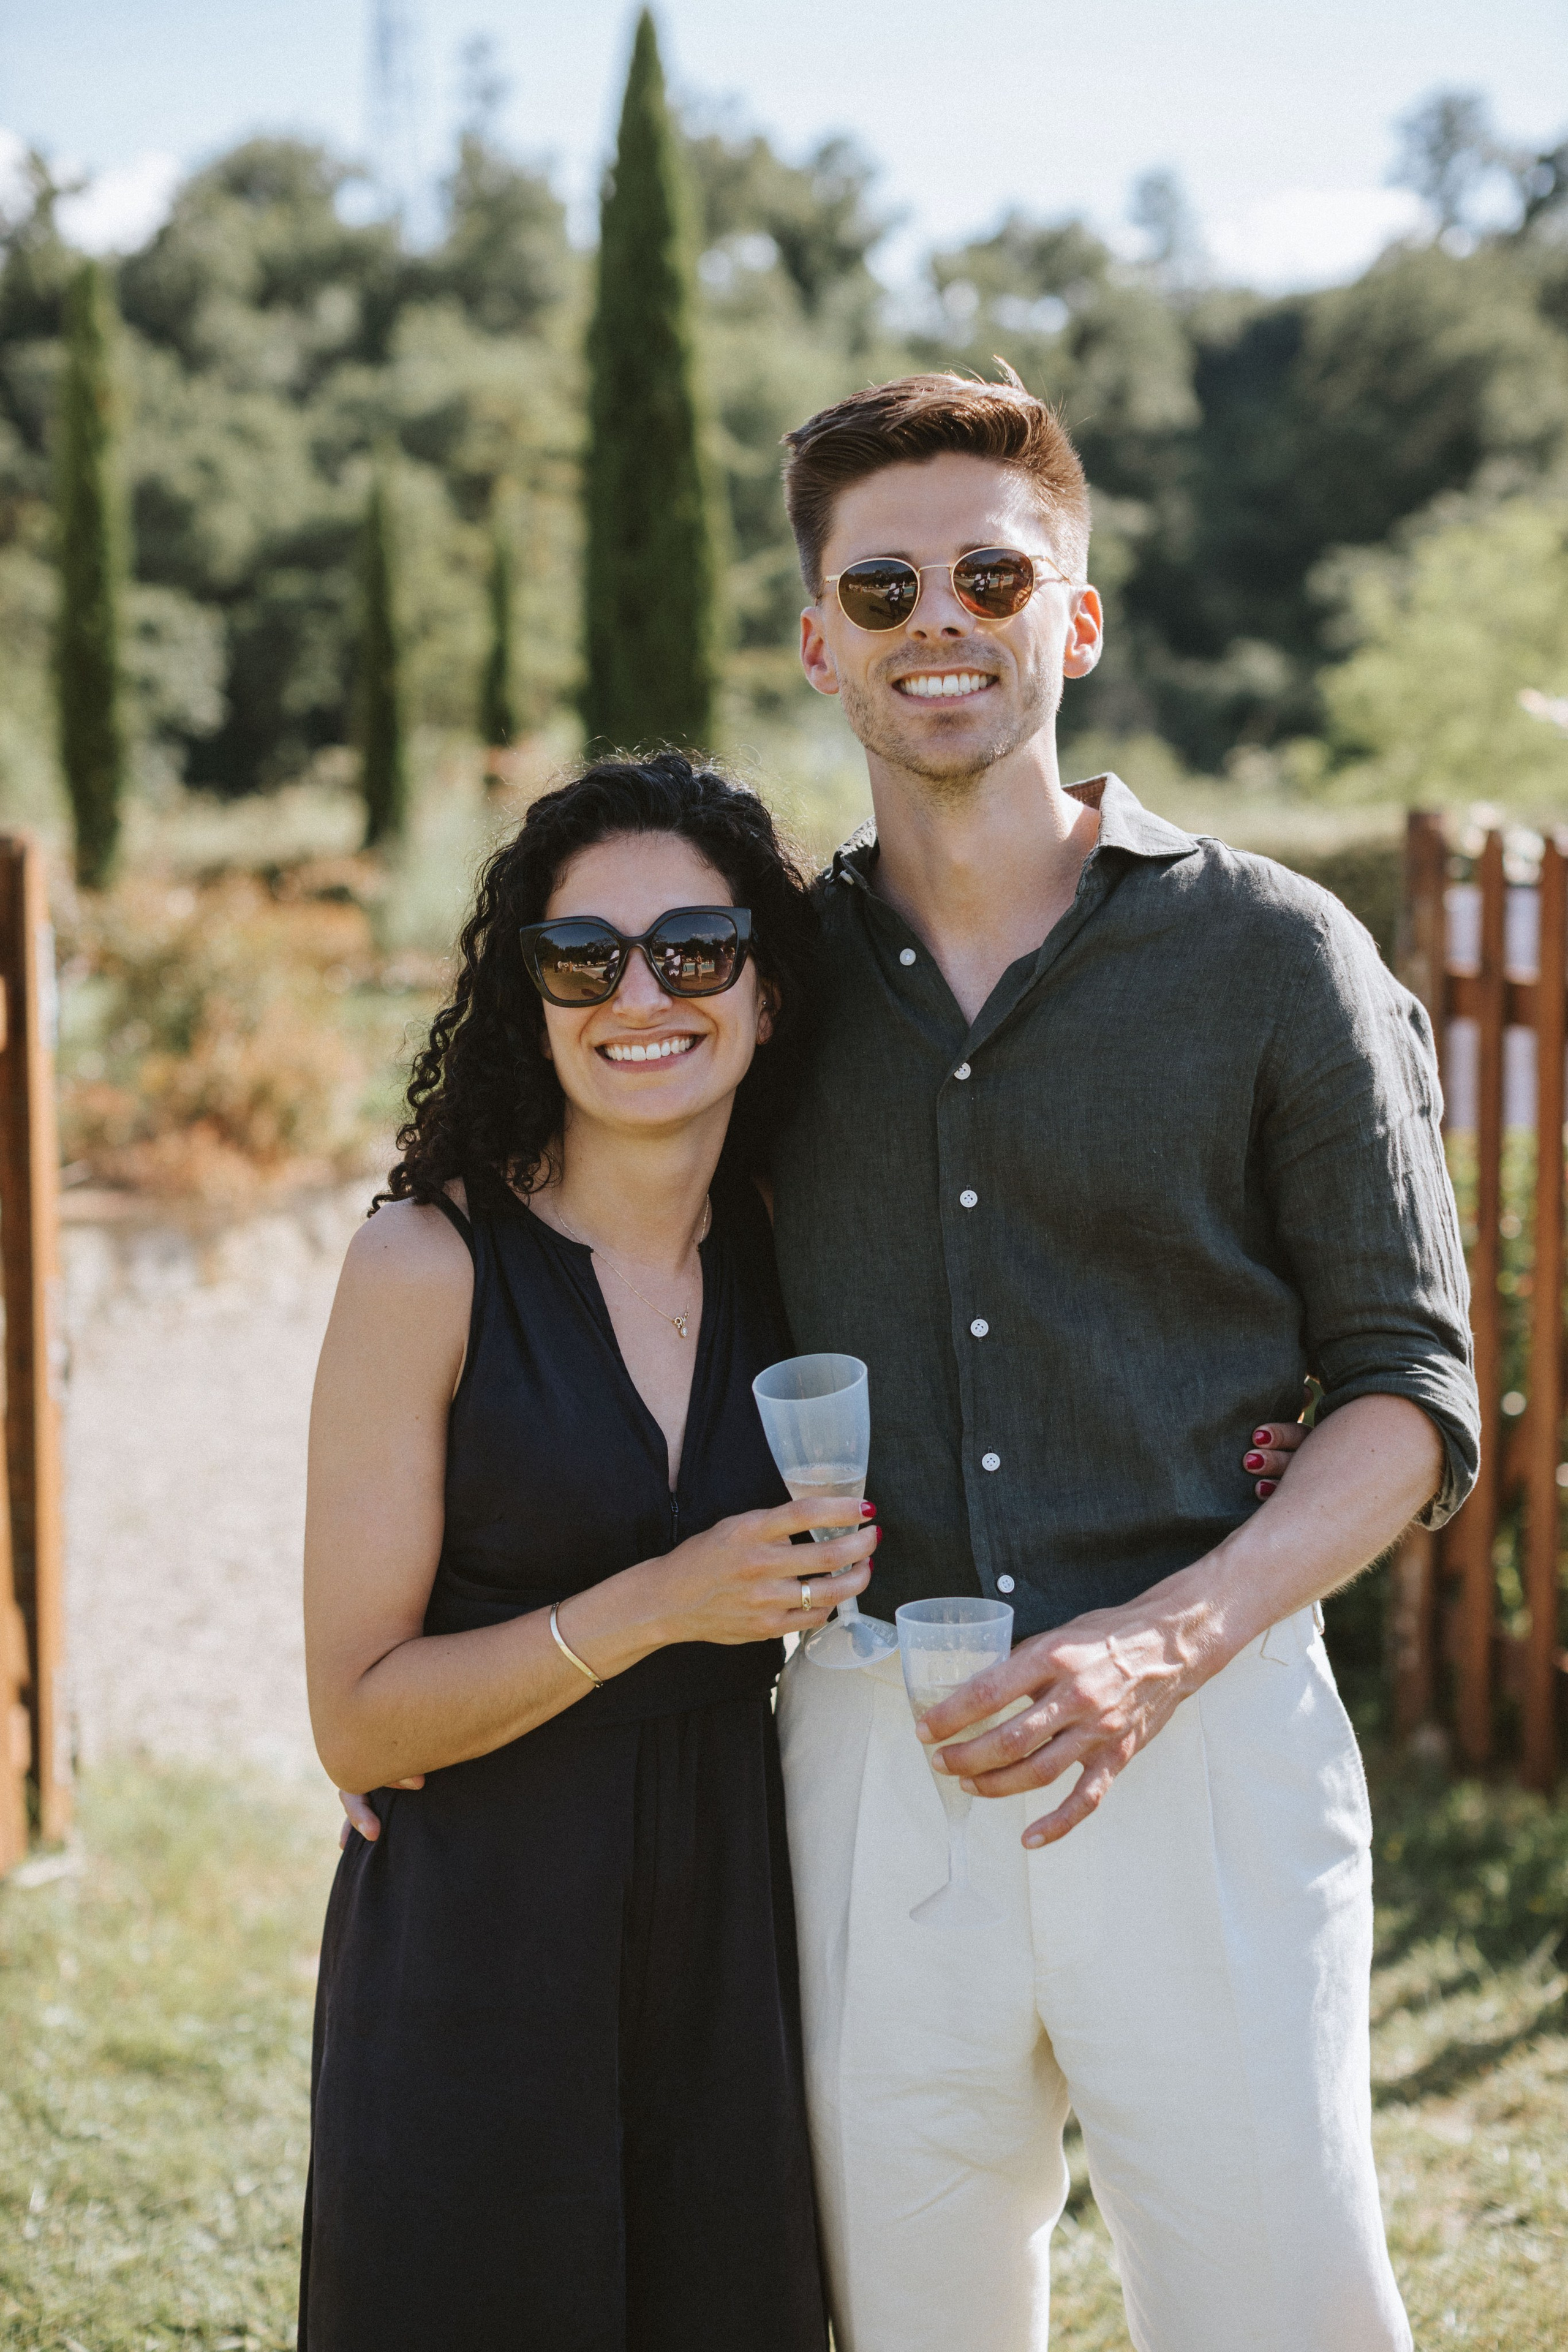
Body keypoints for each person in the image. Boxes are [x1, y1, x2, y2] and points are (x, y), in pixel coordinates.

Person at [764, 367, 1479, 2352]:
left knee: (1278, 2313)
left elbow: (1411, 1394)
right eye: (885, 586)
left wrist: (1170, 1639)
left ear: (1074, 622)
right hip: (863, 1753)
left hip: (1211, 1745)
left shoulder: (1279, 958)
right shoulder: (756, 987)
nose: (940, 624)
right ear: (820, 641)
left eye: (993, 575)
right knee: (902, 2324)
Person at [298, 758, 872, 2351]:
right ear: (527, 995)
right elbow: (356, 1717)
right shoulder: (426, 1264)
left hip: (737, 1955)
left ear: (766, 990)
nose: (642, 994)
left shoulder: (803, 1245)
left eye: (695, 950)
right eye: (584, 957)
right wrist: (661, 1606)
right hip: (481, 1952)